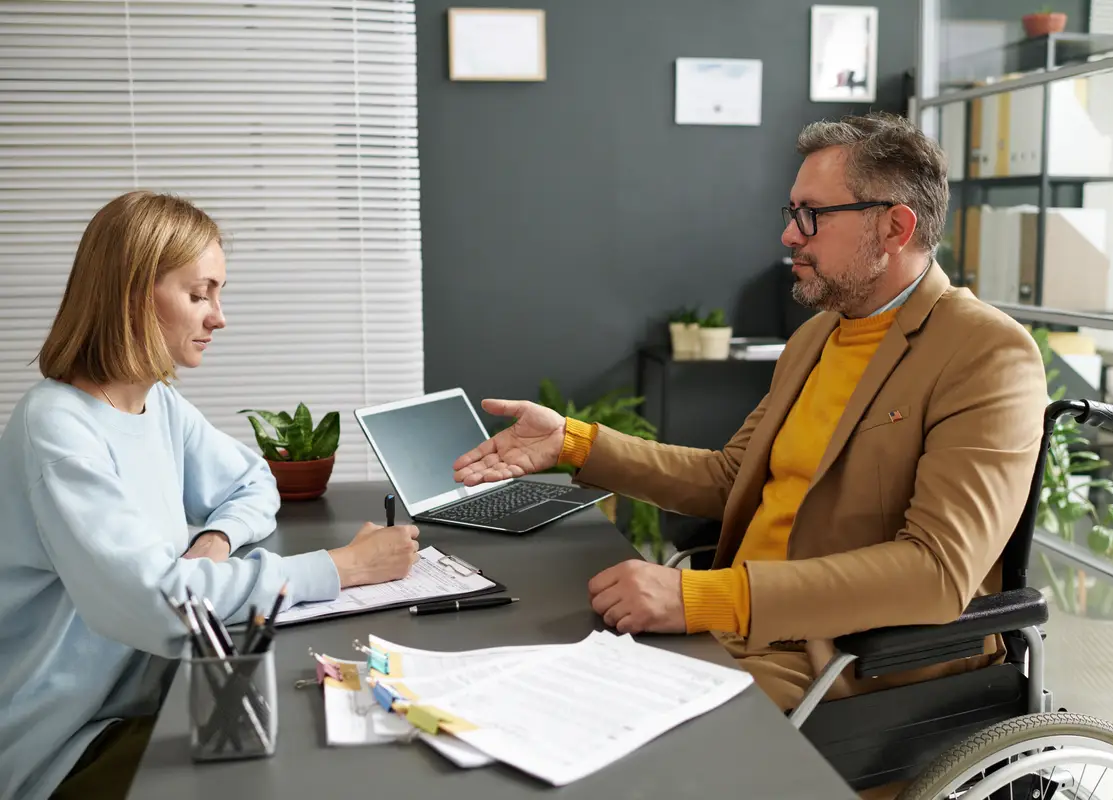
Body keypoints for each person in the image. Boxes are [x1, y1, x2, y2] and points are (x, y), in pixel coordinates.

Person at [453, 112, 1047, 715]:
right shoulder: (816, 338)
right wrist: (573, 444)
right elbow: (731, 479)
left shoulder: (986, 352)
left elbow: (936, 571)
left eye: (811, 215)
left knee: (592, 722)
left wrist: (704, 598)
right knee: (528, 680)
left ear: (895, 227)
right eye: (790, 214)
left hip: (841, 660)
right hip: (741, 630)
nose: (790, 236)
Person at [0, 191, 422, 800]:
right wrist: (341, 567)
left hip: (155, 692)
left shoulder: (154, 401)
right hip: (70, 742)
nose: (218, 317)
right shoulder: (60, 430)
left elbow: (251, 480)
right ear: (133, 295)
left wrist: (214, 542)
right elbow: (160, 607)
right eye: (199, 294)